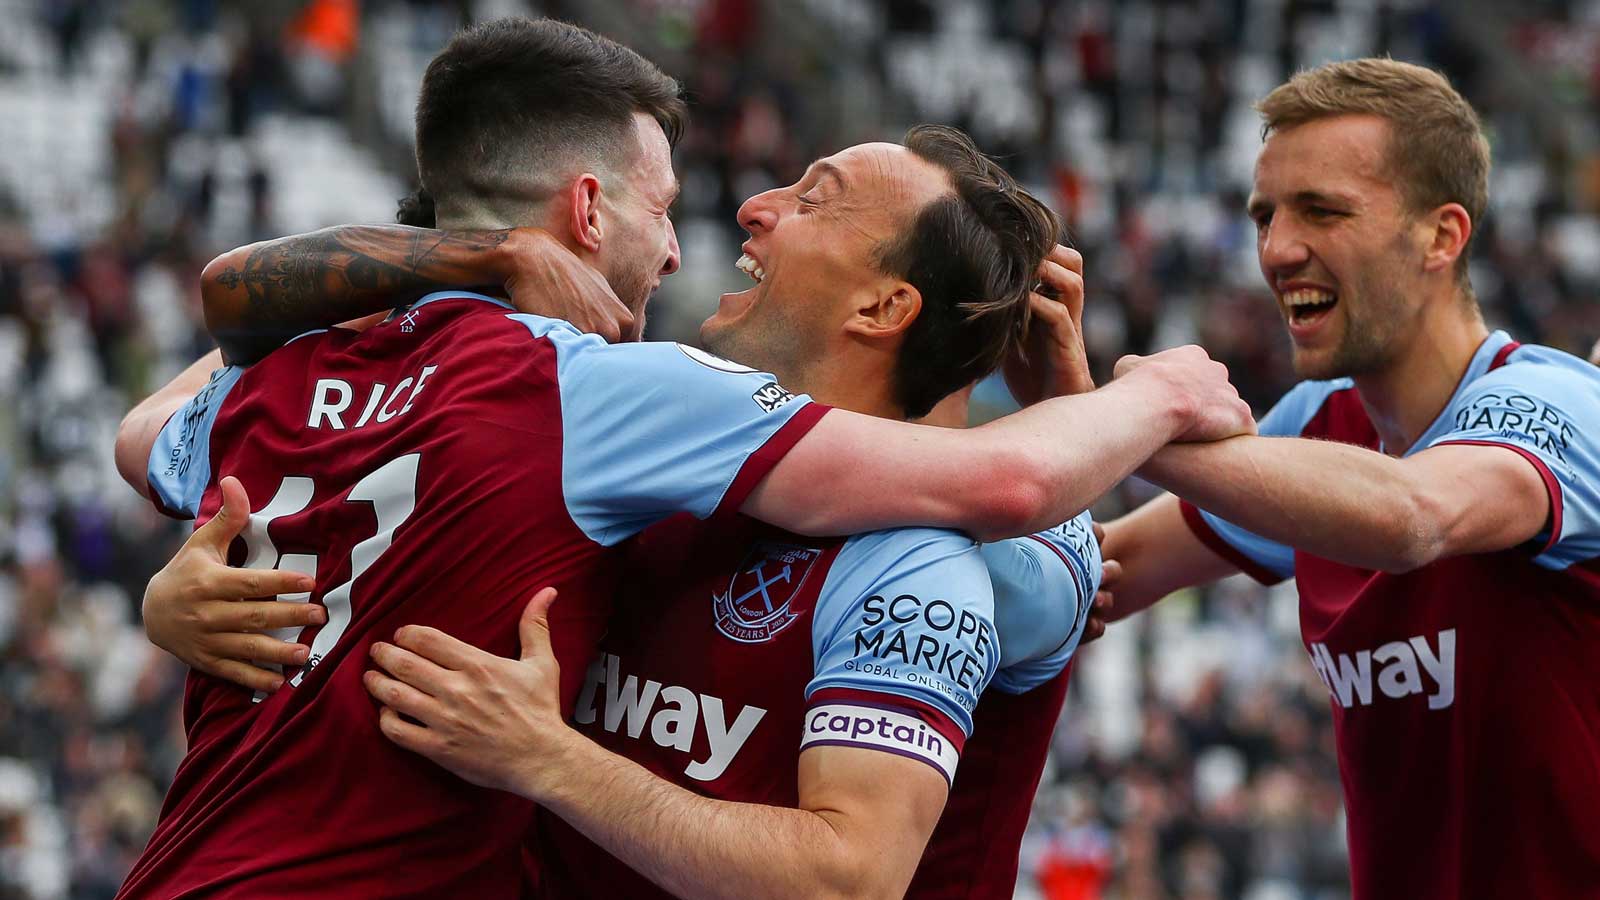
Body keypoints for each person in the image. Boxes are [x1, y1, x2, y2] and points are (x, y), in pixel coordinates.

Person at [112, 19, 1249, 900]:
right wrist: (174, 597)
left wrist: (550, 760)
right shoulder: (624, 447)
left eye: (813, 198)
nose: (744, 208)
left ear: (885, 304)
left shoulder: (938, 561)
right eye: (672, 204)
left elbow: (845, 874)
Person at [1099, 58, 1600, 899]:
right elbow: (1107, 572)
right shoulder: (1316, 423)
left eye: (1322, 211)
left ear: (1442, 236)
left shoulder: (1560, 405)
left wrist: (1125, 423)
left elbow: (1412, 517)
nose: (1277, 249)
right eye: (1265, 214)